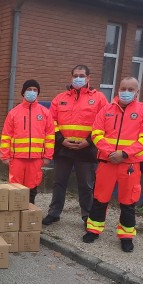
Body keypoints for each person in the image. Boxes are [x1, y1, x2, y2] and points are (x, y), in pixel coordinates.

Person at [82, 77, 143, 252]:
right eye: (123, 88)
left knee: (128, 201)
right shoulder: (106, 110)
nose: (126, 92)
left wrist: (124, 154)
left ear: (137, 92)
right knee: (100, 198)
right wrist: (110, 153)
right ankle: (93, 230)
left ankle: (126, 236)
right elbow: (96, 134)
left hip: (130, 164)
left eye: (131, 89)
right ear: (118, 89)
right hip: (107, 162)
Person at [42, 65, 108, 226]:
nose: (78, 78)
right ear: (71, 77)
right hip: (63, 148)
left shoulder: (99, 98)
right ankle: (54, 213)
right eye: (75, 75)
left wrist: (89, 141)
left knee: (86, 185)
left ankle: (87, 216)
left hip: (86, 149)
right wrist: (60, 140)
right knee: (59, 183)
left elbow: (105, 122)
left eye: (82, 75)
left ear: (88, 78)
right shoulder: (60, 98)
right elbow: (51, 122)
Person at [0, 79, 55, 204]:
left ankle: (29, 213)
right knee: (15, 187)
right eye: (29, 89)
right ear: (23, 92)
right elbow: (6, 136)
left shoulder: (45, 113)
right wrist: (5, 155)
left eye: (35, 90)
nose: (32, 92)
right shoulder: (13, 113)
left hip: (36, 158)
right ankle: (15, 212)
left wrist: (47, 156)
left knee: (32, 186)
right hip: (17, 158)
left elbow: (50, 137)